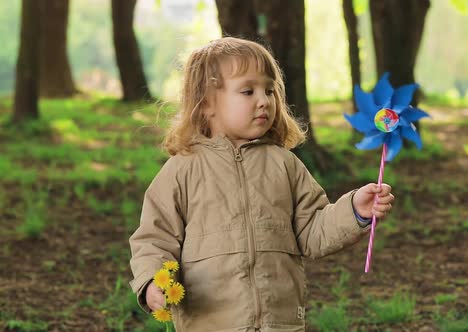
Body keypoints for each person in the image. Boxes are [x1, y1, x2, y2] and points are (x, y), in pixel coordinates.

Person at [129, 36, 395, 332]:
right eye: (248, 91)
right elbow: (155, 237)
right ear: (206, 103)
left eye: (269, 90)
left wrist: (354, 210)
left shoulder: (284, 163)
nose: (263, 100)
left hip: (277, 321)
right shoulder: (182, 170)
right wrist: (153, 281)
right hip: (211, 322)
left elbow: (312, 231)